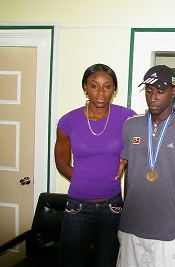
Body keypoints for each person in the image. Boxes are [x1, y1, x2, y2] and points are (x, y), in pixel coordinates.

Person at [117, 65, 175, 266]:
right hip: (131, 229)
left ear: (174, 92)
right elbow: (130, 175)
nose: (153, 97)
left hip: (169, 233)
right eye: (148, 91)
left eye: (160, 92)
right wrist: (124, 218)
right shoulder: (131, 125)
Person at [55, 63, 136, 267]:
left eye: (107, 86)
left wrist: (126, 158)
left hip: (113, 207)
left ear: (114, 90)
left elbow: (141, 145)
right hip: (77, 207)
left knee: (107, 262)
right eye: (94, 86)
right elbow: (62, 163)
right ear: (85, 87)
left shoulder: (127, 117)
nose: (101, 92)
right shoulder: (68, 121)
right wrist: (85, 180)